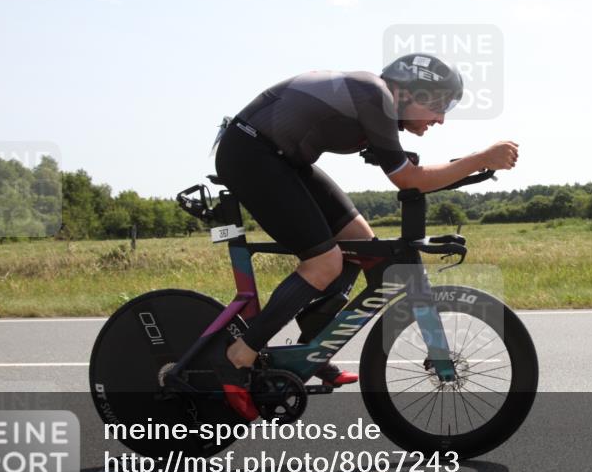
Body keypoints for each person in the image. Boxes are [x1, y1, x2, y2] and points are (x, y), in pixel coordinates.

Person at [212, 53, 519, 420]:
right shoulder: (376, 95)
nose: (440, 118)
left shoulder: (380, 103)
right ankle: (241, 354)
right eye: (438, 105)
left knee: (365, 245)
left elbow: (413, 173)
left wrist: (469, 163)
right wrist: (480, 158)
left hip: (283, 158)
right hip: (251, 153)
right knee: (324, 263)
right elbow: (410, 179)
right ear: (410, 92)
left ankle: (313, 347)